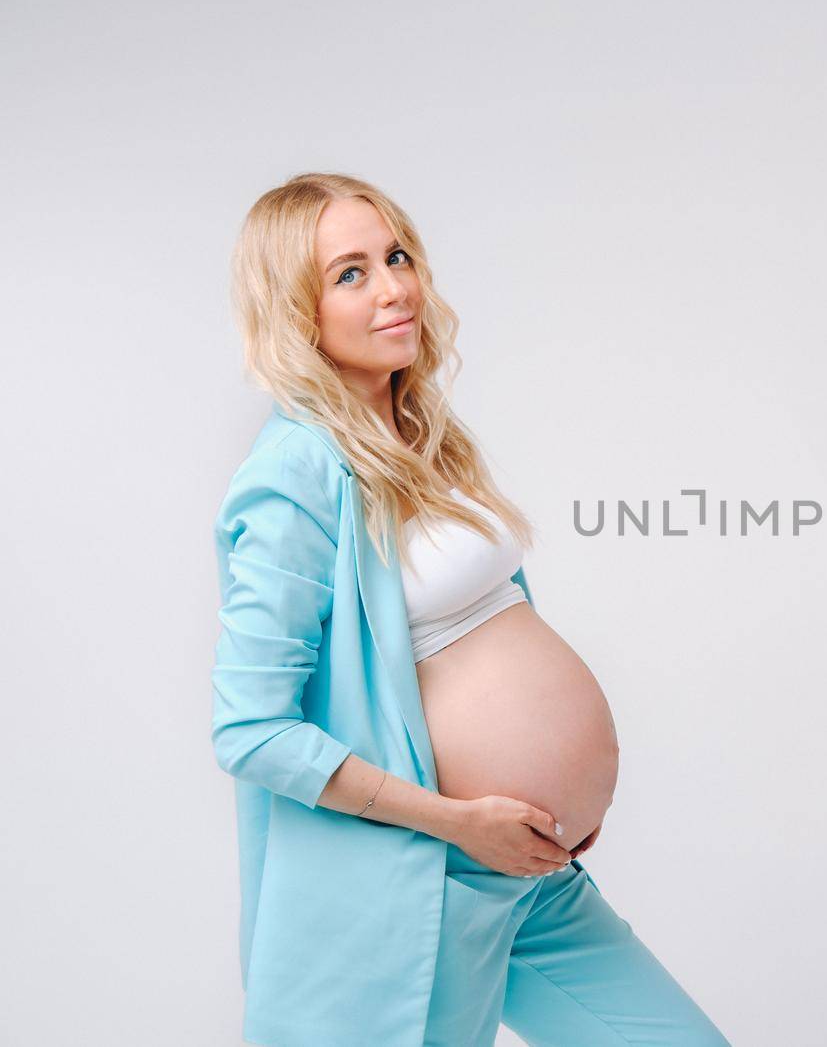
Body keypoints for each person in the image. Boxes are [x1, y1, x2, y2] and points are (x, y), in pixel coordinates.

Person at [211, 172, 730, 1047]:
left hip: (528, 874)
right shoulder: (293, 472)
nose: (393, 287)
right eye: (350, 273)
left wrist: (566, 788)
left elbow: (493, 615)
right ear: (298, 311)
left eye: (397, 255)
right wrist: (463, 822)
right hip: (431, 877)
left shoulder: (421, 434)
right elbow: (250, 731)